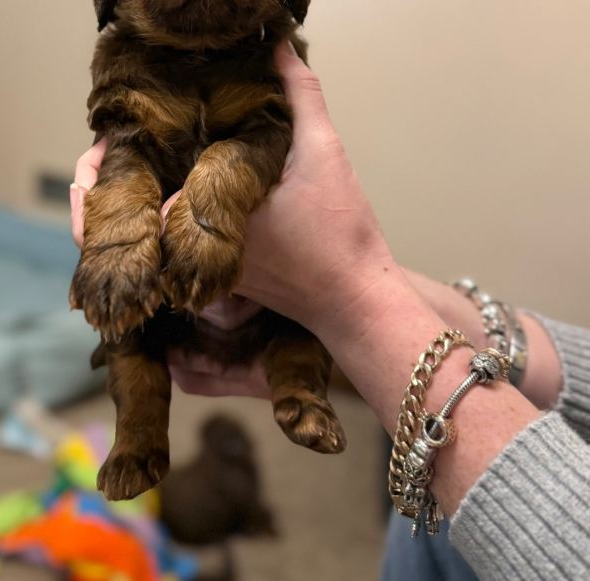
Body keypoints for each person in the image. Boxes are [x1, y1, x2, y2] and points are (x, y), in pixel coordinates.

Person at [70, 41, 590, 580]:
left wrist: (354, 299)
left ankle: (298, 387)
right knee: (135, 342)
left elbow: (265, 144)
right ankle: (139, 437)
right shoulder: (127, 60)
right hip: (444, 533)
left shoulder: (262, 60)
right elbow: (126, 155)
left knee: (296, 337)